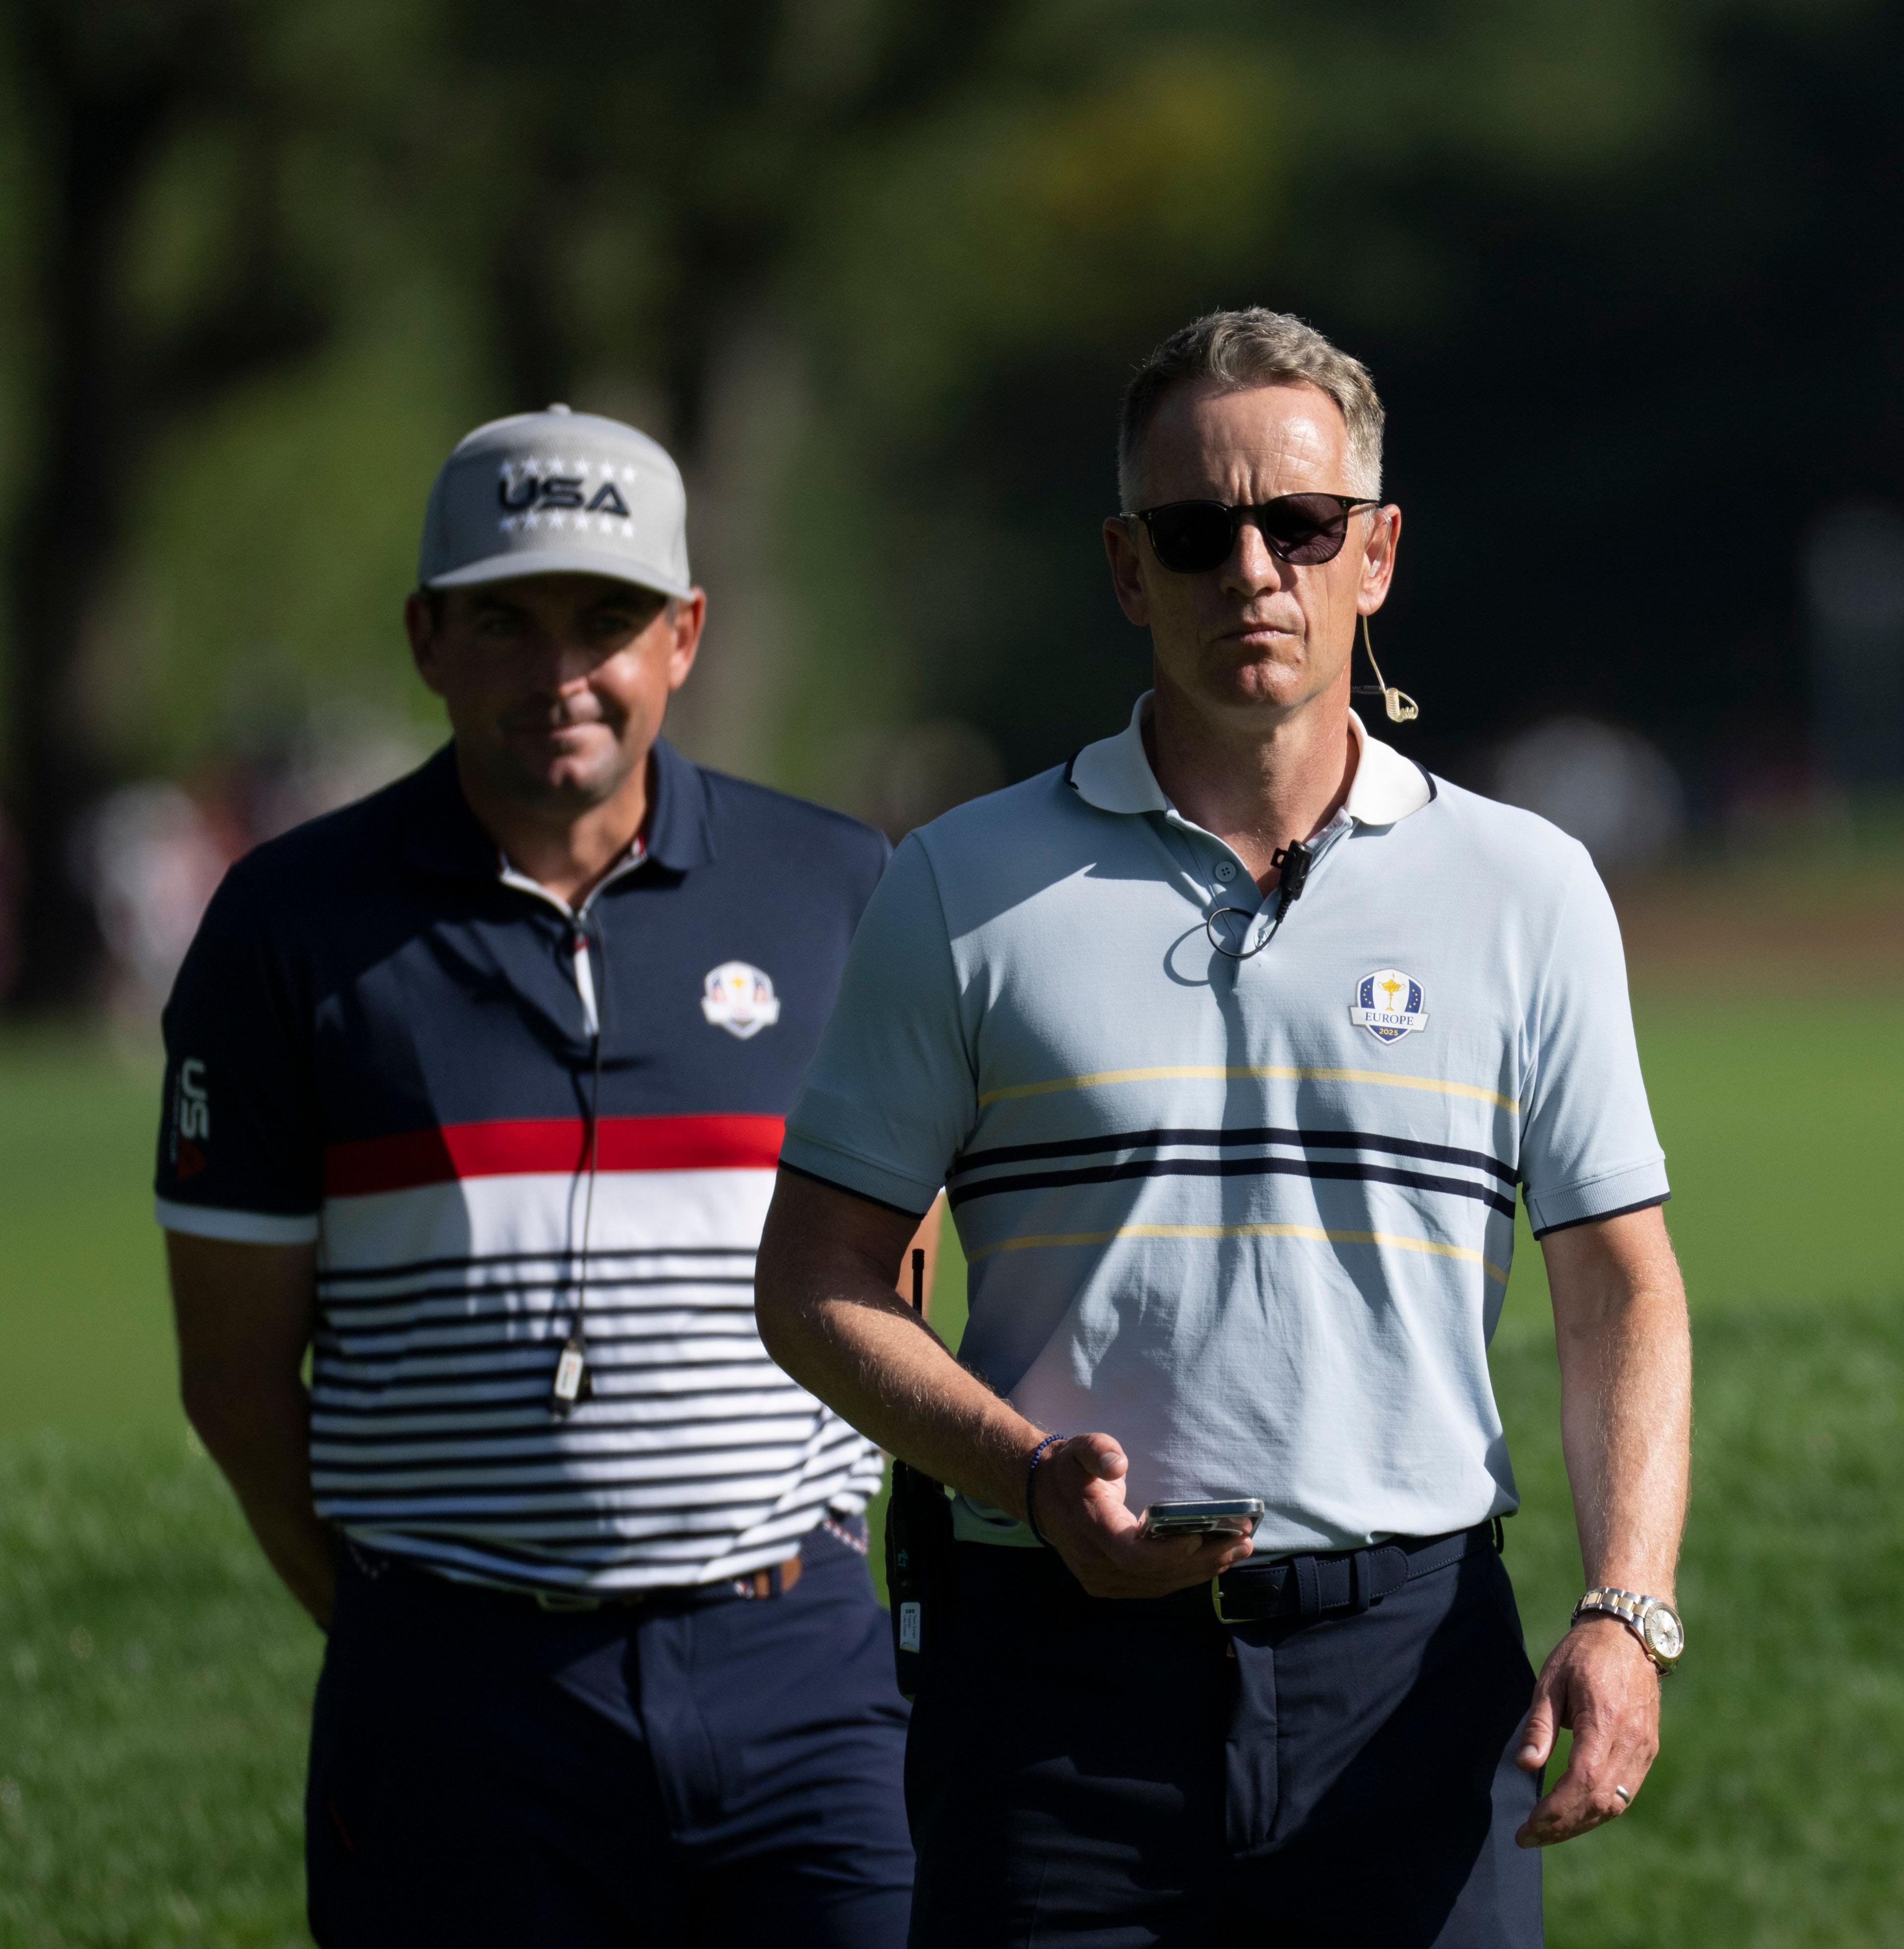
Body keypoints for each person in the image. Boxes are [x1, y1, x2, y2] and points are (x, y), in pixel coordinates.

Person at [755, 309, 1692, 1948]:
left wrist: (1625, 1606)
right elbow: (816, 1281)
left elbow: (1620, 1284)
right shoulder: (959, 886)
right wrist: (1024, 1472)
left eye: (1299, 526)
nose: (1249, 570)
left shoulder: (1527, 886)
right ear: (1128, 569)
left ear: (1376, 553)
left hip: (1410, 1670)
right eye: (1196, 533)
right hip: (1048, 1686)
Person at [156, 404, 930, 1948]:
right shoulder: (285, 925)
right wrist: (413, 1629)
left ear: (687, 635)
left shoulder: (842, 891)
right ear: (426, 638)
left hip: (806, 1682)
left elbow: (891, 1302)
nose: (559, 670)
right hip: (455, 1700)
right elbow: (238, 1382)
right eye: (503, 619)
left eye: (607, 619)